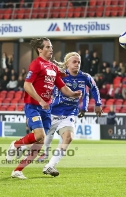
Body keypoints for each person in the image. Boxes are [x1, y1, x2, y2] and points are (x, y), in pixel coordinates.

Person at [6, 37, 82, 179]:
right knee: (40, 136)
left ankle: (17, 170)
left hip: (46, 109)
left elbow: (62, 86)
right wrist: (40, 100)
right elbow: (27, 85)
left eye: (51, 47)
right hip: (33, 106)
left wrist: (73, 94)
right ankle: (16, 144)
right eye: (47, 47)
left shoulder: (53, 67)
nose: (50, 49)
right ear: (39, 49)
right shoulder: (36, 64)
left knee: (40, 143)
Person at [39, 52, 102, 176]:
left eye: (78, 62)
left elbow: (94, 89)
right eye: (74, 62)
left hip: (70, 113)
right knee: (40, 138)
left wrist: (98, 104)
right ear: (67, 63)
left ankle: (50, 166)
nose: (77, 64)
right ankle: (19, 149)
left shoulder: (85, 77)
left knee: (68, 137)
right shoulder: (60, 75)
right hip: (53, 112)